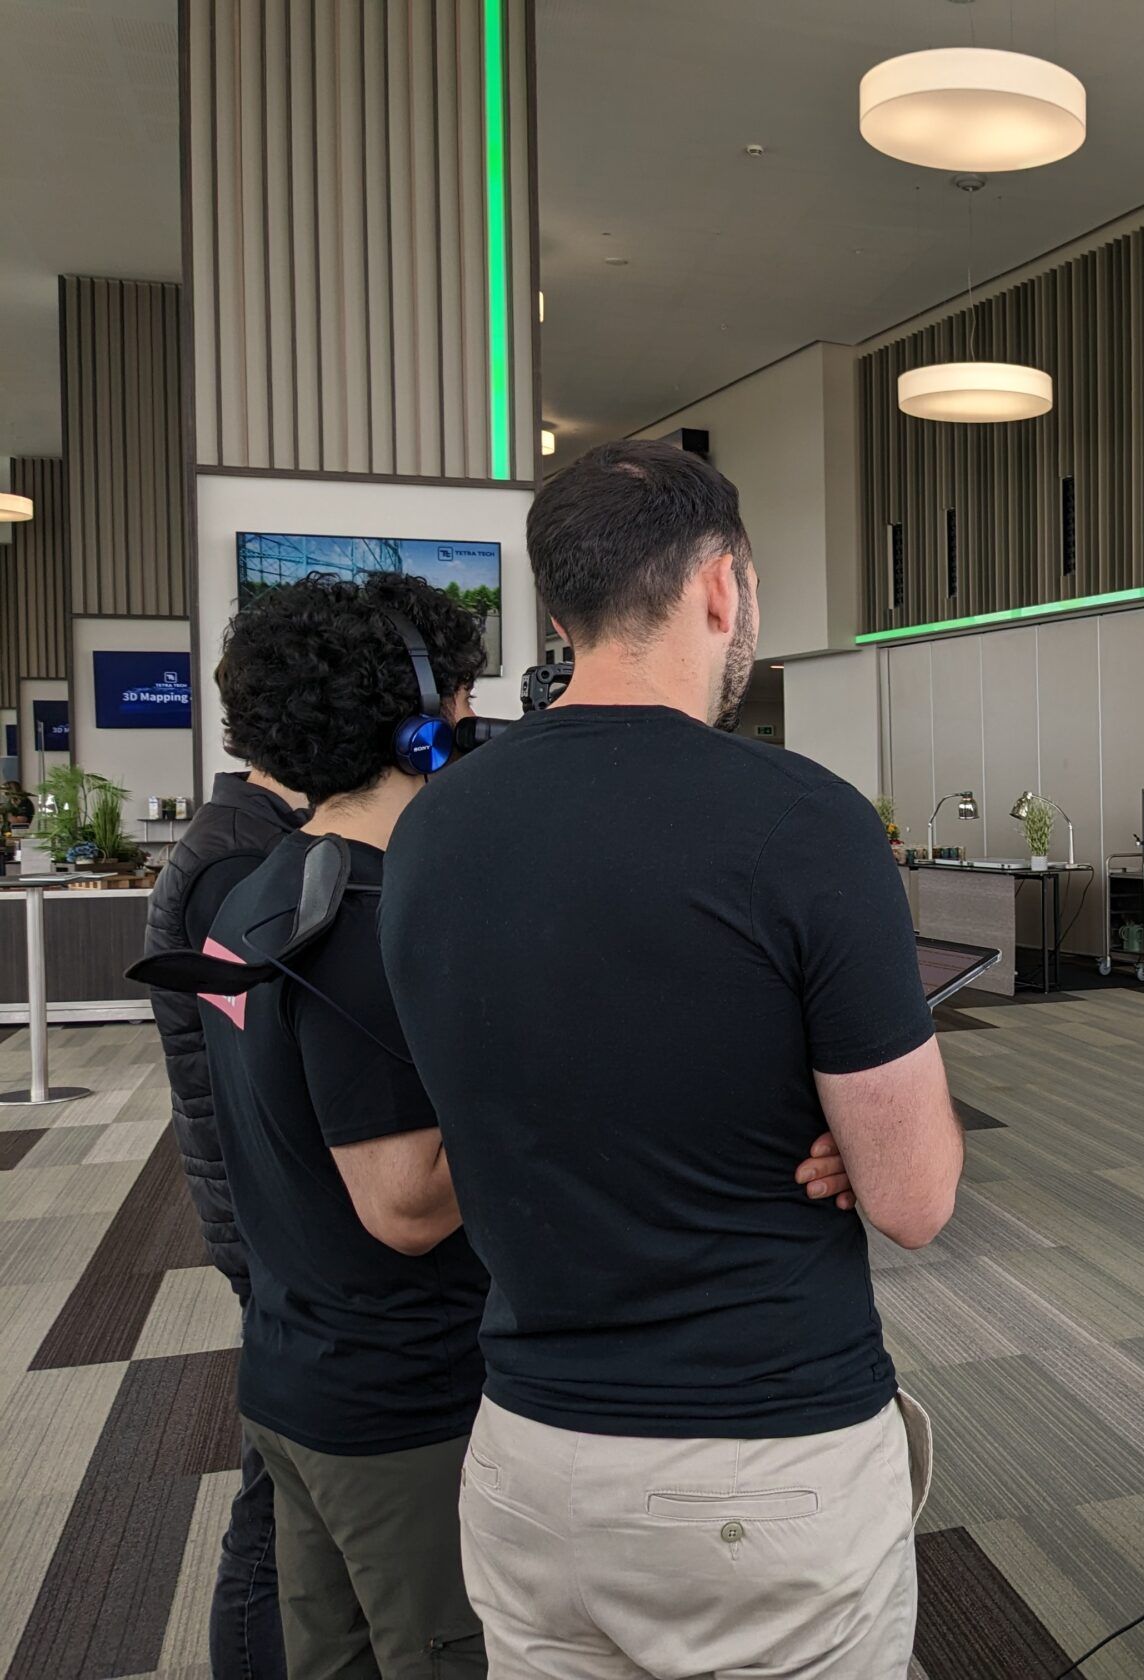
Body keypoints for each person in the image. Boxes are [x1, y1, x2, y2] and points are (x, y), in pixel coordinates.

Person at [380, 439, 962, 1679]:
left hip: (530, 1456)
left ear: (558, 609)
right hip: (761, 1460)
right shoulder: (807, 820)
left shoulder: (433, 833)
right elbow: (916, 1199)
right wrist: (847, 1135)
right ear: (721, 585)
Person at [197, 573, 490, 1678]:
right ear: (420, 721)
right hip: (399, 1410)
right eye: (459, 698)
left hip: (296, 1373)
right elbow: (408, 1205)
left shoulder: (260, 892)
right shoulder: (365, 925)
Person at [143, 745, 305, 1680]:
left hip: (260, 1202)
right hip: (265, 1213)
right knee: (277, 1498)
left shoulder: (251, 840)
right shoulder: (237, 864)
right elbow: (273, 1051)